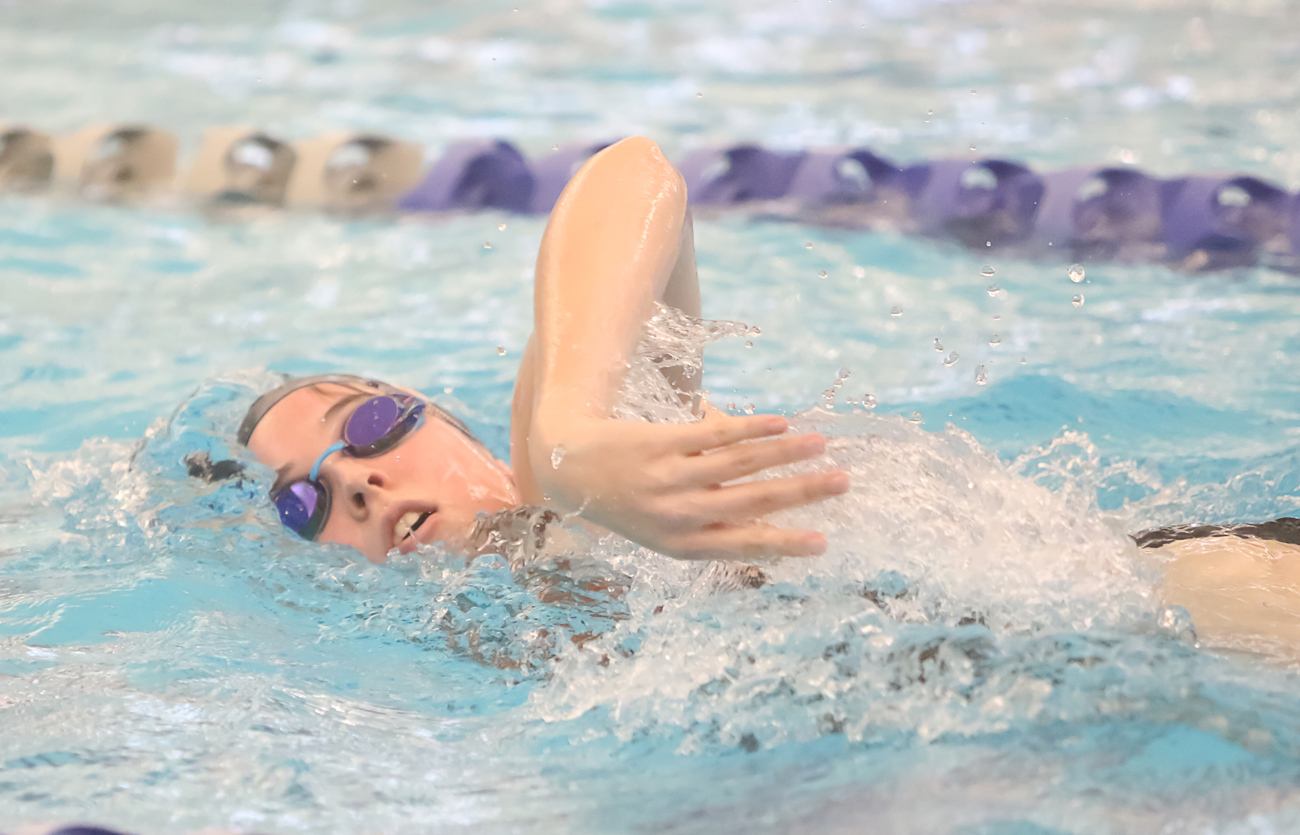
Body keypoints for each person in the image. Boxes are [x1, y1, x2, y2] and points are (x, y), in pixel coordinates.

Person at [238, 136, 850, 564]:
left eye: (368, 425)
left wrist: (566, 432)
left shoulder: (585, 470)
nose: (353, 480)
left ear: (441, 418)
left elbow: (636, 172)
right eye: (302, 503)